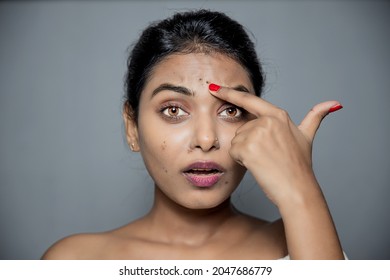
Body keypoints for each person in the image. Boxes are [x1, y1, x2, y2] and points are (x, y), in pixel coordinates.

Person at [42, 9, 345, 260]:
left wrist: (301, 190)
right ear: (132, 127)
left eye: (230, 110)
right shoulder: (73, 261)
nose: (205, 139)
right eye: (174, 110)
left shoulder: (307, 243)